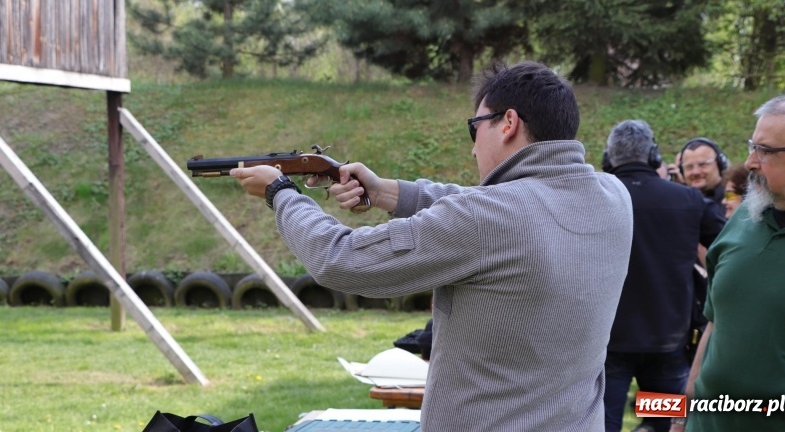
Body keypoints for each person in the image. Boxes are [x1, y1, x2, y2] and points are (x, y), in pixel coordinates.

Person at [231, 61, 634, 431]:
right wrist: (386, 192)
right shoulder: (613, 197)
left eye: (475, 128)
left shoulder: (489, 218)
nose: (473, 147)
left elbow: (339, 258)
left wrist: (281, 193)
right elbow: (496, 207)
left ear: (508, 123)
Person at [671, 93, 785, 432]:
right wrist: (682, 413)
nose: (750, 162)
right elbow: (715, 322)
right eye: (752, 146)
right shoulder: (743, 218)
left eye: (765, 151)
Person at [601, 120, 726, 432]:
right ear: (654, 155)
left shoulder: (591, 199)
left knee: (603, 425)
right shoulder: (689, 200)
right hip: (668, 343)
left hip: (607, 342)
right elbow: (731, 250)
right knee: (666, 425)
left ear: (608, 158)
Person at [666, 138, 729, 216]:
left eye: (703, 165)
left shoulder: (735, 201)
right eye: (689, 167)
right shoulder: (678, 204)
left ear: (720, 165)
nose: (695, 172)